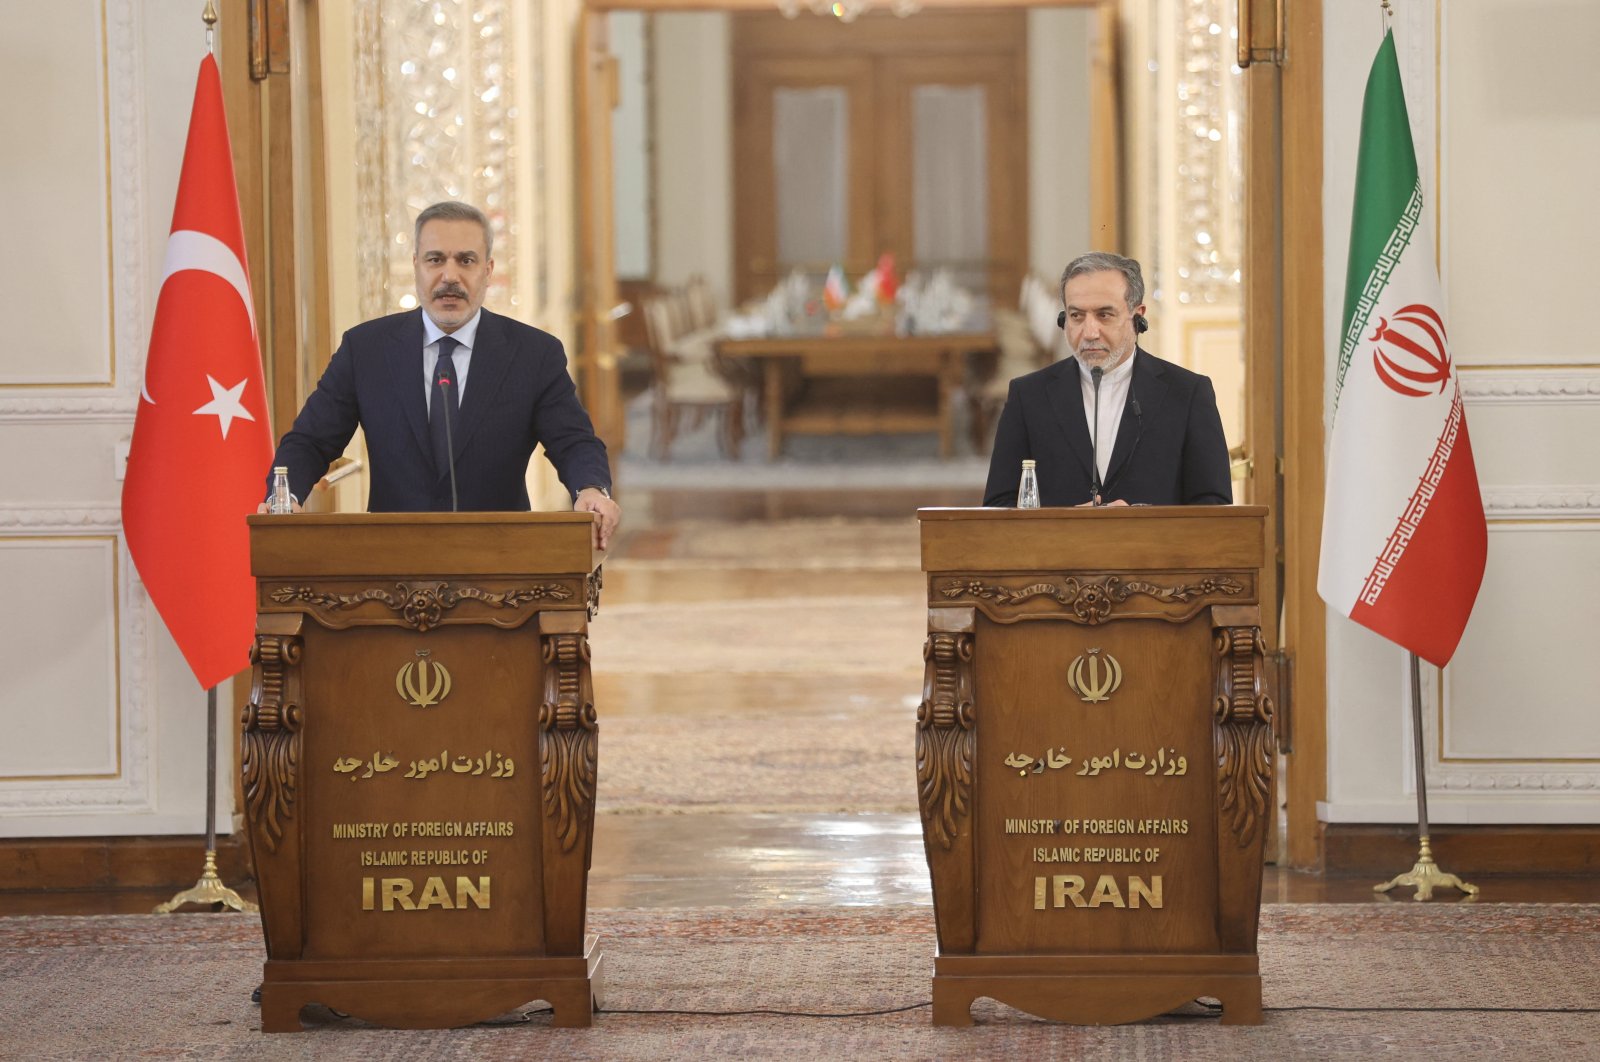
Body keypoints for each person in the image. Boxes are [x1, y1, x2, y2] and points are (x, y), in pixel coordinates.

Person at [261, 201, 621, 548]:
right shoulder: (366, 350)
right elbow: (310, 441)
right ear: (417, 265)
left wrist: (591, 489)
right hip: (390, 562)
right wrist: (286, 495)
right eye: (436, 260)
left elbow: (574, 443)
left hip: (504, 563)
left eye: (466, 260)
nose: (450, 276)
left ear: (488, 270)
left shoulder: (533, 353)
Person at [982, 252, 1231, 508]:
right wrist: (1065, 526)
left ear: (1137, 317)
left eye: (1104, 315)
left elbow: (1214, 506)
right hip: (1060, 548)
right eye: (1076, 316)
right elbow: (998, 506)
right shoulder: (1028, 396)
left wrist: (1144, 525)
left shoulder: (1188, 394)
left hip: (1155, 548)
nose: (1089, 332)